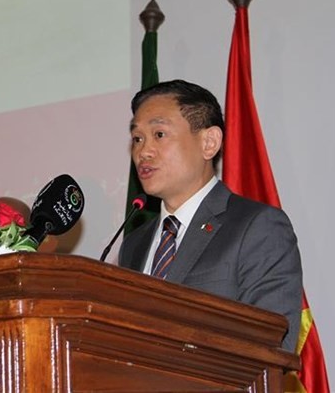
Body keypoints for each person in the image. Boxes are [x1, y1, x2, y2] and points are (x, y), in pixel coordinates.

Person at [118, 79, 302, 352]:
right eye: (137, 138)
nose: (143, 151)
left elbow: (274, 346)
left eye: (159, 134)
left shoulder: (258, 228)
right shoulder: (134, 244)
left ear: (209, 142)